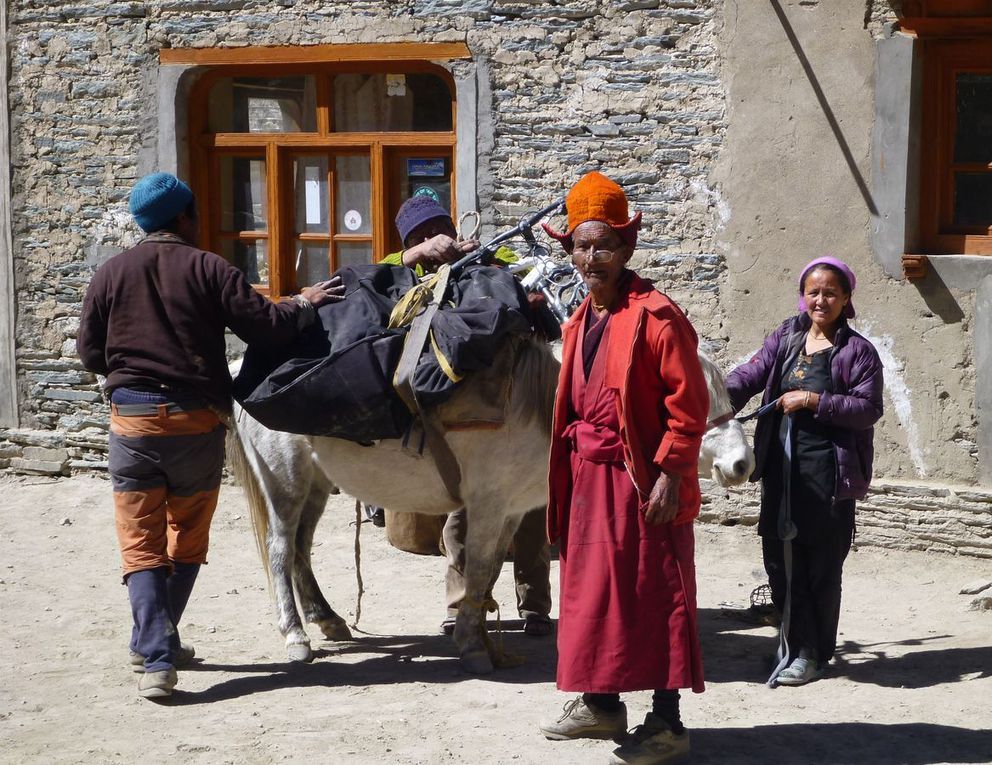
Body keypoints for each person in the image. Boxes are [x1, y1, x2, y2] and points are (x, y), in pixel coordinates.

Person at [77, 172, 344, 700]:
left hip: (131, 425)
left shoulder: (111, 273)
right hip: (194, 425)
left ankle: (154, 647)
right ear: (184, 216)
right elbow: (266, 324)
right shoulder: (208, 268)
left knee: (140, 542)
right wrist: (306, 301)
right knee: (187, 538)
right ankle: (155, 649)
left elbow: (90, 352)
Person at [540, 171, 708, 765]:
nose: (592, 258)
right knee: (593, 595)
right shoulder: (581, 316)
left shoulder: (657, 317)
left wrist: (670, 473)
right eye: (582, 246)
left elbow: (689, 408)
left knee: (655, 591)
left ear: (627, 249)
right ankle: (601, 703)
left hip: (641, 481)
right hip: (588, 479)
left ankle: (667, 722)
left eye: (604, 245)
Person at [381, 194, 554, 637]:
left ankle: (534, 605)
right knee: (464, 510)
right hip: (460, 412)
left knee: (532, 510)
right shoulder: (406, 269)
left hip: (518, 405)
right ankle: (461, 605)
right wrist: (416, 255)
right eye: (420, 235)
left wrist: (489, 259)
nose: (432, 238)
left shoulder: (488, 255)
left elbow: (530, 273)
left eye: (438, 229)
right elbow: (380, 276)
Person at [725, 256, 883, 686]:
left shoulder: (858, 352)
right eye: (813, 291)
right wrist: (717, 399)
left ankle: (813, 655)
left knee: (819, 566)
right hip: (781, 469)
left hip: (828, 475)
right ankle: (791, 645)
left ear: (846, 298)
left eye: (830, 292)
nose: (820, 299)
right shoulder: (787, 336)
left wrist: (814, 402)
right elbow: (752, 372)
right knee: (778, 560)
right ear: (803, 295)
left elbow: (868, 409)